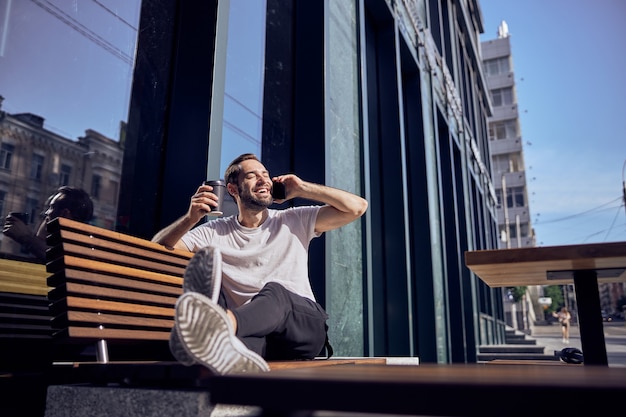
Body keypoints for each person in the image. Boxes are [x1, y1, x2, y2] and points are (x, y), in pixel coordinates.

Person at [152, 153, 368, 374]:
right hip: (258, 337)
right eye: (252, 176)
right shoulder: (214, 232)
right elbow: (158, 251)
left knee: (275, 291)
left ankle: (221, 323)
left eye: (265, 174)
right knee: (219, 342)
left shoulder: (293, 219)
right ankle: (213, 340)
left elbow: (357, 207)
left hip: (301, 327)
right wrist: (190, 218)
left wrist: (302, 188)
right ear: (233, 190)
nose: (264, 179)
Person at [3, 186, 94, 262]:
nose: (46, 212)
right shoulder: (81, 241)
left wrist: (25, 237)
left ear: (65, 213)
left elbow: (57, 260)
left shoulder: (75, 247)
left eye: (51, 207)